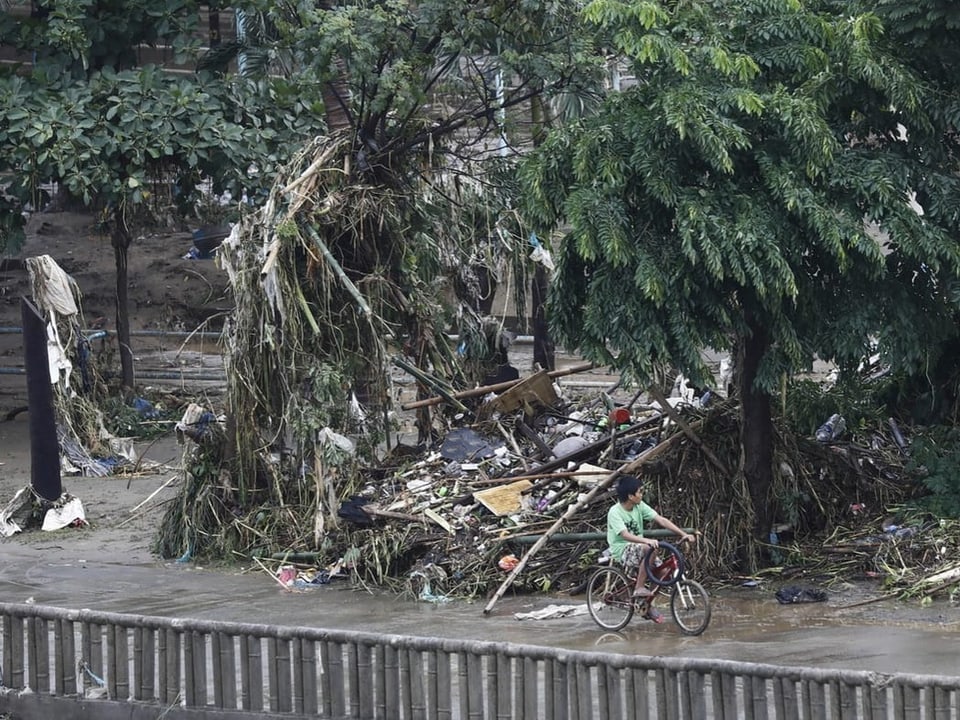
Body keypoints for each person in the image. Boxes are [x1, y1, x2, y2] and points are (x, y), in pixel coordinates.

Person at [606, 474, 695, 623]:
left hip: (640, 547)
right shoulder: (614, 512)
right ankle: (639, 587)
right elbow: (625, 535)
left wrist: (683, 534)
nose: (642, 494)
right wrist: (646, 540)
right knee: (649, 548)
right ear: (630, 496)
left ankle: (647, 603)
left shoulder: (639, 506)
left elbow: (661, 520)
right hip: (622, 549)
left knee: (665, 572)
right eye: (640, 491)